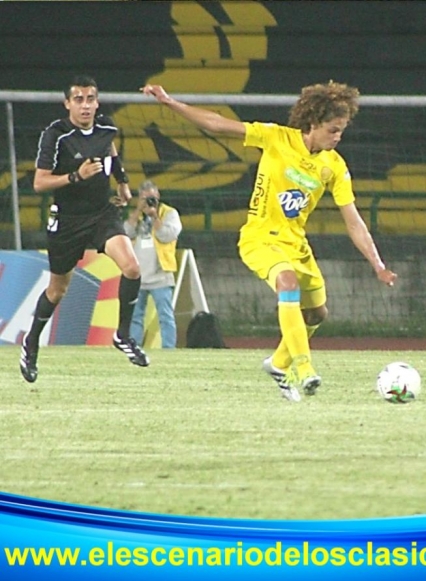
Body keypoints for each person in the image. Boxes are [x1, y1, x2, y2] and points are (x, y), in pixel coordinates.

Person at [141, 81, 397, 401]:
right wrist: (170, 103)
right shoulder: (277, 138)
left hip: (296, 245)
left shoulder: (334, 166)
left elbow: (353, 220)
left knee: (317, 314)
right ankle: (304, 369)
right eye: (333, 130)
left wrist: (378, 264)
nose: (338, 137)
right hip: (259, 238)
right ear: (314, 123)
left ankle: (277, 363)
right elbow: (218, 124)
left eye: (341, 131)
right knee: (287, 283)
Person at [20, 75, 149, 383]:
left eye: (90, 99)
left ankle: (122, 335)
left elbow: (111, 151)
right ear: (67, 104)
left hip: (101, 214)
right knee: (57, 289)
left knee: (132, 268)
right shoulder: (57, 135)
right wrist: (75, 177)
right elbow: (39, 182)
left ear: (97, 102)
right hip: (67, 220)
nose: (85, 105)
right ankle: (31, 340)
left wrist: (123, 183)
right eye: (78, 99)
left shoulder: (106, 128)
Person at [124, 180, 183, 349]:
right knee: (135, 316)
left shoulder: (169, 213)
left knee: (165, 316)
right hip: (138, 274)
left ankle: (168, 349)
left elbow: (167, 236)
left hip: (160, 274)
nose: (149, 202)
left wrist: (155, 216)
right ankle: (134, 348)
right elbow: (126, 233)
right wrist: (137, 211)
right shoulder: (137, 215)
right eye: (144, 198)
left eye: (151, 198)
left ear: (158, 196)